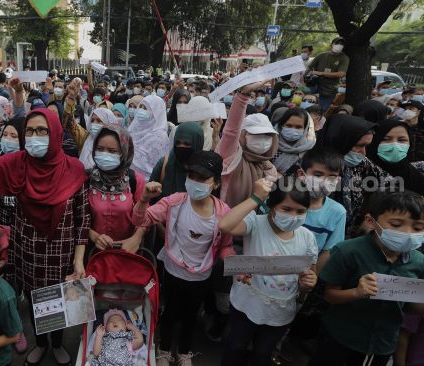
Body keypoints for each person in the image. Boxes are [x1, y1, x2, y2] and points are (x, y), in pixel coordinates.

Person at [0, 105, 89, 365]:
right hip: (28, 252)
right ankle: (39, 343)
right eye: (31, 131)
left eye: (43, 130)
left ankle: (57, 343)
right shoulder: (17, 163)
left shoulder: (75, 169)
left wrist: (79, 260)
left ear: (56, 133)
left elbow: (83, 220)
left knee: (59, 304)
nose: (35, 136)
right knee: (37, 303)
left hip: (61, 255)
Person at [133, 151, 234, 366]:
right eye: (192, 176)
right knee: (170, 313)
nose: (194, 183)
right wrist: (144, 199)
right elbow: (140, 219)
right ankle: (164, 348)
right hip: (173, 271)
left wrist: (238, 267)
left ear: (215, 183)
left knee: (191, 316)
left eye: (202, 179)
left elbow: (226, 247)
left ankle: (185, 351)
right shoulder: (175, 202)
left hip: (201, 276)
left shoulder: (224, 213)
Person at [311, 191, 424, 366]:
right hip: (342, 337)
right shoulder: (348, 251)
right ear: (372, 221)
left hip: (381, 344)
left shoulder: (419, 262)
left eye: (417, 228)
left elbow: (410, 306)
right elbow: (329, 295)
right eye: (396, 224)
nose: (408, 233)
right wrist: (357, 292)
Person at [218, 177, 318, 366]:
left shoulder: (308, 238)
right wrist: (256, 198)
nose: (293, 216)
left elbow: (309, 276)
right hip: (246, 304)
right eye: (286, 209)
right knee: (235, 346)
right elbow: (224, 225)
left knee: (262, 353)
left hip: (280, 312)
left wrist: (308, 284)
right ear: (271, 206)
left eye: (301, 211)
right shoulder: (256, 223)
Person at [316, 114, 393, 237]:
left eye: (366, 146)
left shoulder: (361, 163)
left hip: (346, 237)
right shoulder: (309, 164)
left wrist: (373, 217)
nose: (363, 152)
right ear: (341, 140)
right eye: (359, 145)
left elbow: (392, 183)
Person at [216, 80, 279, 208]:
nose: (262, 140)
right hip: (227, 218)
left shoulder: (268, 166)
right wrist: (243, 95)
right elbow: (231, 131)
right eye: (256, 135)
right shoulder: (232, 155)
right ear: (243, 135)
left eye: (267, 136)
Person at [87, 124, 146, 253]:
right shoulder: (86, 179)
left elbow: (145, 217)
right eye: (100, 149)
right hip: (93, 253)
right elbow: (78, 218)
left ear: (124, 152)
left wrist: (136, 239)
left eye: (112, 151)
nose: (104, 154)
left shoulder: (135, 180)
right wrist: (94, 236)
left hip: (126, 253)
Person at [294, 147, 347, 271]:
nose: (324, 181)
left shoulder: (338, 212)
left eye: (332, 177)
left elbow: (328, 251)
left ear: (338, 180)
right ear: (302, 174)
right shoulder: (284, 203)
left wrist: (311, 278)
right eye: (318, 175)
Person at [367, 119, 424, 195]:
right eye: (386, 139)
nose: (394, 145)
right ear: (374, 141)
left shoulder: (415, 178)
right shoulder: (362, 172)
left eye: (401, 140)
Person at [150, 122, 205, 200]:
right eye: (178, 143)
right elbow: (149, 196)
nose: (181, 147)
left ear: (197, 143)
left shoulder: (205, 170)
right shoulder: (165, 164)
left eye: (187, 144)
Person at [129, 95, 170, 180]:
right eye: (141, 106)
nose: (141, 110)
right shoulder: (134, 127)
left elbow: (159, 165)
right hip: (128, 178)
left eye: (145, 108)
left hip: (148, 182)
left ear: (156, 112)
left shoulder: (160, 136)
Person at [306, 37, 349, 112]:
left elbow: (341, 74)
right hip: (315, 84)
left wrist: (321, 73)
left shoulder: (344, 58)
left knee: (320, 111)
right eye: (337, 43)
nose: (339, 45)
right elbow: (309, 68)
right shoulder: (321, 55)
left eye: (341, 44)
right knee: (301, 101)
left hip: (329, 89)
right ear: (331, 44)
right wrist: (303, 78)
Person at [272, 108, 316, 174]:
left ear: (305, 128)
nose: (293, 130)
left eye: (298, 127)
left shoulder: (309, 150)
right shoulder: (270, 142)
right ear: (281, 126)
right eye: (288, 125)